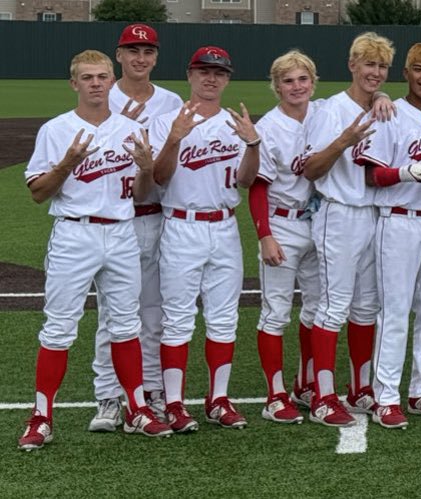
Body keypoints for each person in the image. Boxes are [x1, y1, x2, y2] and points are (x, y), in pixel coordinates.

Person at [19, 49, 169, 451]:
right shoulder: (56, 129)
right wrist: (67, 163)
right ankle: (42, 417)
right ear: (74, 83)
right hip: (74, 234)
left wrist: (145, 168)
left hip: (121, 233)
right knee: (59, 328)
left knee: (125, 325)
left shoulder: (129, 129)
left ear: (111, 80)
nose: (96, 83)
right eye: (87, 77)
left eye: (102, 76)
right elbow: (38, 194)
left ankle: (136, 409)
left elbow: (140, 194)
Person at [149, 46, 258, 431]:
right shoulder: (167, 121)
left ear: (227, 79)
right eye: (203, 71)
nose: (211, 78)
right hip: (181, 225)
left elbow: (245, 181)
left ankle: (218, 398)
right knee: (177, 319)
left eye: (219, 73)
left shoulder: (236, 123)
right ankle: (175, 403)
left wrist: (253, 144)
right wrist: (175, 139)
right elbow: (159, 177)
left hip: (224, 226)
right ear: (190, 75)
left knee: (224, 319)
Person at [356, 42, 421, 429]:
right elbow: (372, 174)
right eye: (419, 69)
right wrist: (405, 172)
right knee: (395, 312)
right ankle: (385, 396)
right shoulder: (389, 114)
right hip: (397, 219)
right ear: (406, 73)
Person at [299, 32, 400, 427]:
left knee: (365, 307)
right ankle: (323, 396)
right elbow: (310, 169)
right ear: (352, 65)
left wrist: (380, 99)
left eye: (381, 66)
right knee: (333, 305)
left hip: (373, 213)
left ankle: (360, 388)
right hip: (338, 212)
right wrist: (344, 140)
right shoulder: (330, 110)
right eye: (368, 64)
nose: (374, 73)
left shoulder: (382, 107)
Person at [90, 22, 184, 432]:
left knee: (154, 312)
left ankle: (148, 390)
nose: (140, 58)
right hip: (114, 219)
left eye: (146, 51)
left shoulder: (170, 100)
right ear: (119, 55)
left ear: (156, 56)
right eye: (132, 50)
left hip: (156, 215)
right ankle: (109, 396)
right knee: (114, 314)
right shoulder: (101, 95)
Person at [247, 50, 325, 424]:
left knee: (315, 309)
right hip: (281, 223)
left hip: (320, 223)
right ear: (276, 86)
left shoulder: (323, 112)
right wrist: (265, 235)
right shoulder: (269, 127)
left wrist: (381, 97)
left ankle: (305, 383)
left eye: (302, 79)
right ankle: (274, 394)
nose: (296, 86)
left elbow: (363, 99)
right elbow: (258, 187)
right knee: (276, 312)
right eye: (288, 80)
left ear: (313, 82)